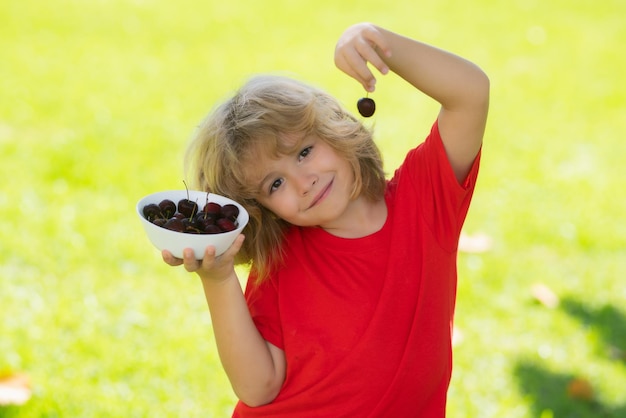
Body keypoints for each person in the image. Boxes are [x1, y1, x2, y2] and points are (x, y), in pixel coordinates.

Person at [162, 22, 489, 417]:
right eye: (276, 183)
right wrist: (217, 279)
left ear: (335, 127)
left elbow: (470, 95)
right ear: (262, 208)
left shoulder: (424, 201)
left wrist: (375, 42)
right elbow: (257, 388)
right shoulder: (284, 261)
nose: (303, 182)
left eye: (303, 152)